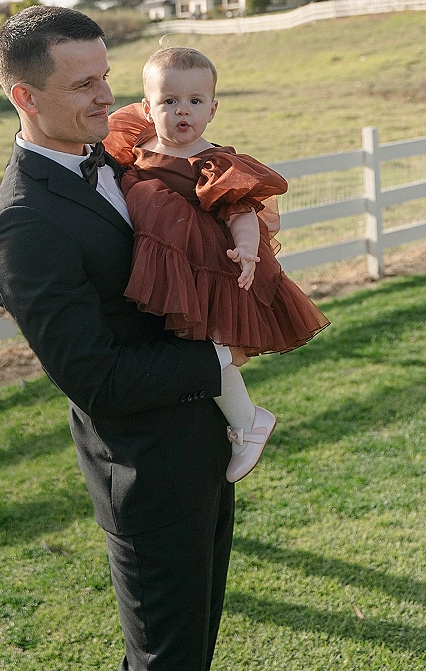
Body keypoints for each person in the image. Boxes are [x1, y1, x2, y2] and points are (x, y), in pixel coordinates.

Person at [0, 6, 239, 671]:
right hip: (146, 473)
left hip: (201, 448)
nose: (106, 96)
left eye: (106, 75)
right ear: (24, 97)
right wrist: (217, 358)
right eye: (82, 85)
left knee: (194, 650)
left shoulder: (119, 153)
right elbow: (98, 379)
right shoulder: (23, 226)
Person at [104, 47, 330, 482]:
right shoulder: (135, 142)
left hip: (206, 267)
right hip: (165, 266)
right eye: (168, 101)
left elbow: (242, 211)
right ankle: (240, 420)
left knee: (208, 346)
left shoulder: (213, 162)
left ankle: (248, 421)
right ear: (148, 108)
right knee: (191, 349)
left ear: (212, 109)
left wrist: (247, 250)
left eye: (194, 101)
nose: (181, 111)